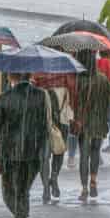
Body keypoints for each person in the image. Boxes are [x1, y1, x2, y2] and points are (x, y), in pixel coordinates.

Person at [0, 70, 49, 218]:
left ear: (11, 77)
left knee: (9, 194)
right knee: (23, 192)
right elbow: (45, 124)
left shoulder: (5, 97)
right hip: (34, 152)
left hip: (10, 153)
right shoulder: (41, 96)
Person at [71, 52, 110, 200]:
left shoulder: (79, 80)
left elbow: (74, 103)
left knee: (84, 154)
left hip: (84, 122)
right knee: (95, 151)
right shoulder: (103, 79)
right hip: (99, 122)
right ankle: (93, 181)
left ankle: (84, 188)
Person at [32, 72, 73, 204]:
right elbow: (73, 99)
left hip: (43, 122)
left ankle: (45, 188)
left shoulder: (37, 77)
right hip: (62, 120)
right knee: (59, 152)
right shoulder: (66, 76)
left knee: (44, 157)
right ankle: (54, 178)